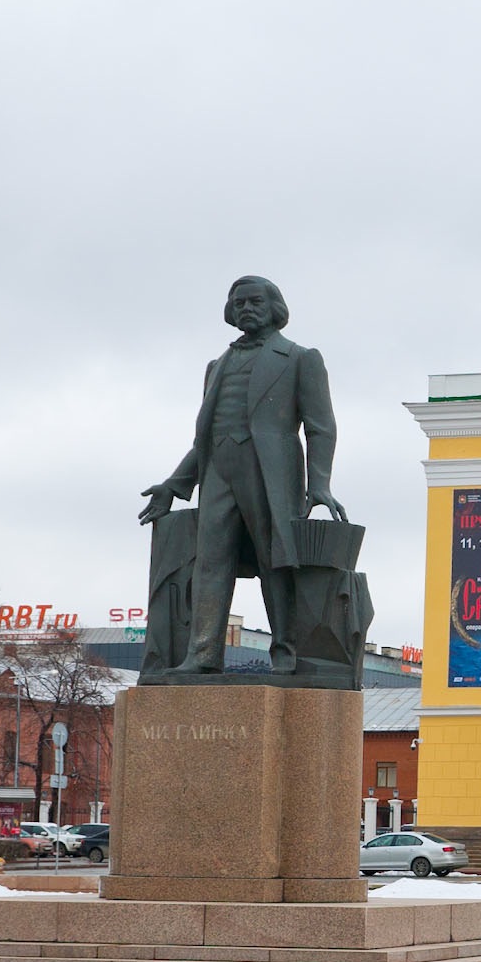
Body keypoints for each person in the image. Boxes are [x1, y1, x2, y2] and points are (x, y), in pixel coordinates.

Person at [139, 276, 345, 676]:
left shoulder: (301, 358)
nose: (246, 308)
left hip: (271, 472)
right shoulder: (217, 367)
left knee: (277, 562)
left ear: (275, 308)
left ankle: (286, 652)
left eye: (255, 301)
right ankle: (203, 654)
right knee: (210, 563)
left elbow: (322, 426)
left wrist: (319, 483)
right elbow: (203, 438)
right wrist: (174, 485)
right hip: (218, 469)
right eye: (239, 303)